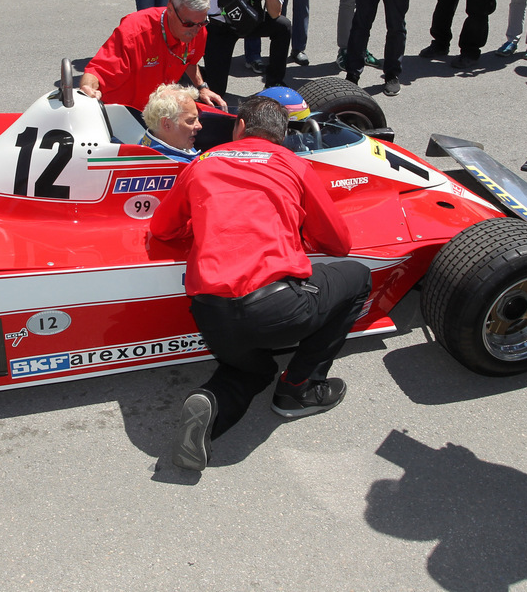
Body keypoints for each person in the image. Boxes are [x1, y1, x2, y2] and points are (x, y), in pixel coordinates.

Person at [151, 95, 373, 472]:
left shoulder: (204, 161)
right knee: (357, 277)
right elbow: (340, 244)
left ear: (239, 127)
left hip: (211, 314)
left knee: (251, 369)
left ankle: (211, 408)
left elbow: (161, 229)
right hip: (277, 305)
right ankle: (300, 388)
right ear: (283, 136)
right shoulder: (294, 163)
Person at [80, 0, 226, 111]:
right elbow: (96, 72)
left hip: (156, 112)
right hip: (122, 112)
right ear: (170, 9)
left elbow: (190, 62)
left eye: (203, 22)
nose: (196, 30)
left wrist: (202, 87)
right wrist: (87, 88)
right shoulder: (134, 32)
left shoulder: (199, 30)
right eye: (189, 24)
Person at [204, 0, 293, 97]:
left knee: (283, 26)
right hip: (220, 23)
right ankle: (187, 74)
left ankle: (274, 83)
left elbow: (274, 13)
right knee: (216, 90)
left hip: (246, 21)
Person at [140, 83, 202, 162]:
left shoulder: (146, 143)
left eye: (197, 118)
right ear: (167, 124)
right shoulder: (176, 166)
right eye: (191, 121)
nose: (199, 126)